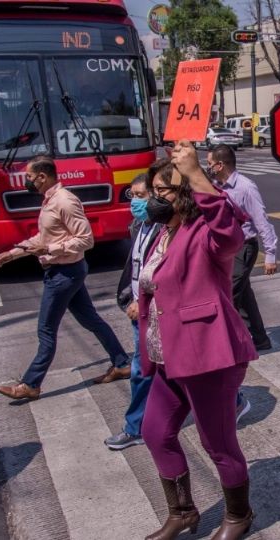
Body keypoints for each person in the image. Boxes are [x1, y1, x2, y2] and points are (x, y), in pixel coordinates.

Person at [137, 141, 258, 540]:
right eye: (152, 191)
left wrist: (194, 173)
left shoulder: (205, 234)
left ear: (185, 194)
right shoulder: (163, 234)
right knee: (155, 431)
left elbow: (230, 232)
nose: (154, 199)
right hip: (166, 356)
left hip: (207, 355)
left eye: (163, 191)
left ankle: (239, 516)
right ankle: (183, 512)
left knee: (217, 443)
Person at [0, 156, 130, 400]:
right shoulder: (50, 201)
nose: (28, 182)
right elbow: (44, 238)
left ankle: (30, 384)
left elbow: (85, 239)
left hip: (64, 274)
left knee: (46, 330)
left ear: (42, 177)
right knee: (92, 320)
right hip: (66, 271)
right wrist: (12, 254)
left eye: (30, 177)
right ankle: (121, 362)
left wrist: (50, 250)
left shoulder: (65, 202)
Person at [107, 167, 164, 450]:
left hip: (153, 309)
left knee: (142, 370)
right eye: (133, 195)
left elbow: (163, 275)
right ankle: (232, 399)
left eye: (141, 196)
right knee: (153, 369)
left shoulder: (165, 229)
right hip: (138, 309)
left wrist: (141, 301)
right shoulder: (137, 225)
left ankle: (135, 427)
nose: (135, 202)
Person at [208, 145, 278, 351]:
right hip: (227, 249)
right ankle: (260, 339)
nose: (209, 168)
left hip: (243, 248)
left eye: (210, 164)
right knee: (244, 295)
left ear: (220, 165)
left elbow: (262, 221)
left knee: (228, 297)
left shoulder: (246, 187)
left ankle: (229, 345)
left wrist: (271, 255)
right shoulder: (216, 185)